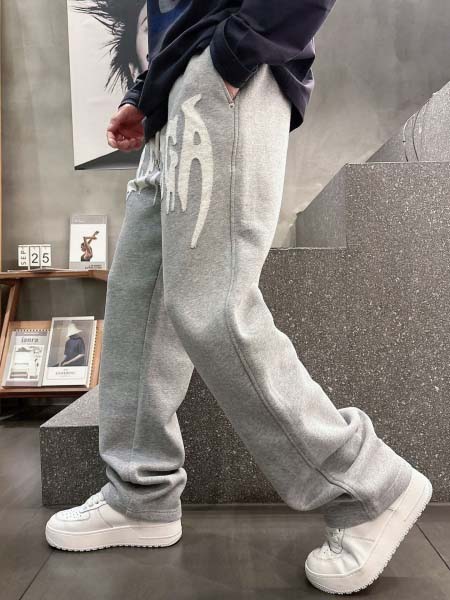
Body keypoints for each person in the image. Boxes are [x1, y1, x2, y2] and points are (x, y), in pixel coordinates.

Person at [45, 1, 433, 594]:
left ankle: (367, 485)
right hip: (176, 93)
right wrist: (147, 92)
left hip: (226, 70)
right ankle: (139, 493)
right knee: (138, 302)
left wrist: (238, 49)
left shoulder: (233, 55)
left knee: (214, 307)